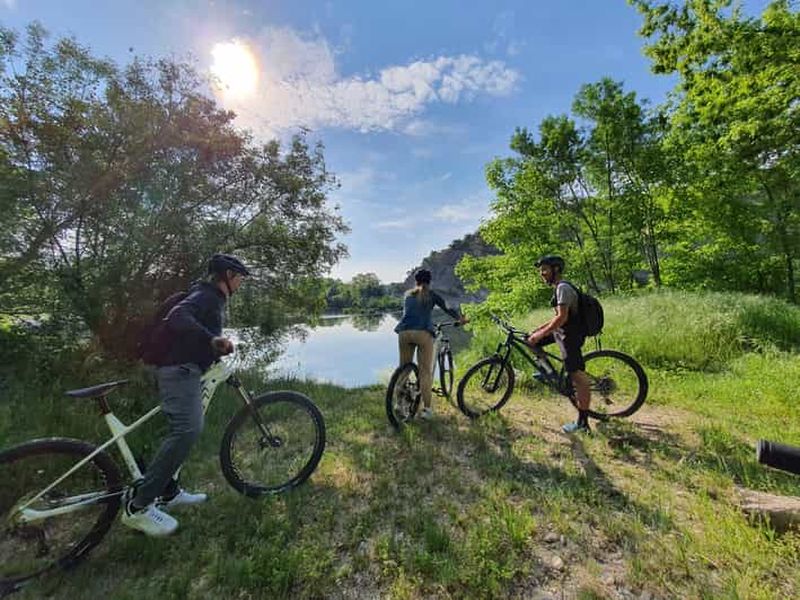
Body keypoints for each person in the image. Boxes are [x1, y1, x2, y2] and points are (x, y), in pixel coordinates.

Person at [121, 253, 250, 536]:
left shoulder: (207, 295)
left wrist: (212, 349)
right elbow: (177, 317)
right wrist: (212, 340)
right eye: (240, 277)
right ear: (228, 275)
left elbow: (189, 332)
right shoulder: (207, 296)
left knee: (186, 427)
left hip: (185, 369)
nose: (241, 282)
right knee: (188, 430)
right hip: (179, 372)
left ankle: (169, 491)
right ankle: (139, 506)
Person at [525, 255, 592, 433]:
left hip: (570, 336)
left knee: (578, 378)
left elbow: (562, 318)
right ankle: (550, 374)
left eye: (545, 269)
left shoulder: (563, 288)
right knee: (530, 341)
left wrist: (542, 333)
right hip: (562, 332)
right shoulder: (558, 288)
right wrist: (538, 331)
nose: (542, 273)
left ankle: (584, 424)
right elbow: (557, 318)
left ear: (556, 270)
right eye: (540, 270)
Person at [394, 268, 467, 420]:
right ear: (429, 281)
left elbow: (411, 314)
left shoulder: (407, 295)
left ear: (416, 281)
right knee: (425, 372)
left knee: (404, 369)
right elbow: (448, 308)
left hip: (404, 333)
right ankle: (427, 410)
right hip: (422, 333)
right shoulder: (431, 295)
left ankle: (398, 403)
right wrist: (460, 319)